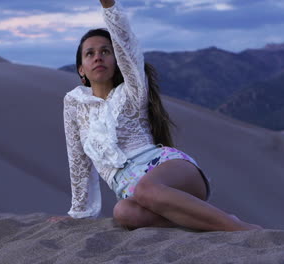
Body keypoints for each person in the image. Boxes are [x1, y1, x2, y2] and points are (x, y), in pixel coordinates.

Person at [52, 0, 261, 231]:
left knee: (146, 189)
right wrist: (79, 214)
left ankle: (245, 231)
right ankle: (214, 221)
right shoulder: (74, 103)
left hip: (169, 170)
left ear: (117, 61)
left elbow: (126, 43)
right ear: (81, 69)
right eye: (89, 54)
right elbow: (78, 162)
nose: (98, 57)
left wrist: (108, 6)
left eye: (105, 51)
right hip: (134, 195)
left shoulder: (132, 91)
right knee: (123, 213)